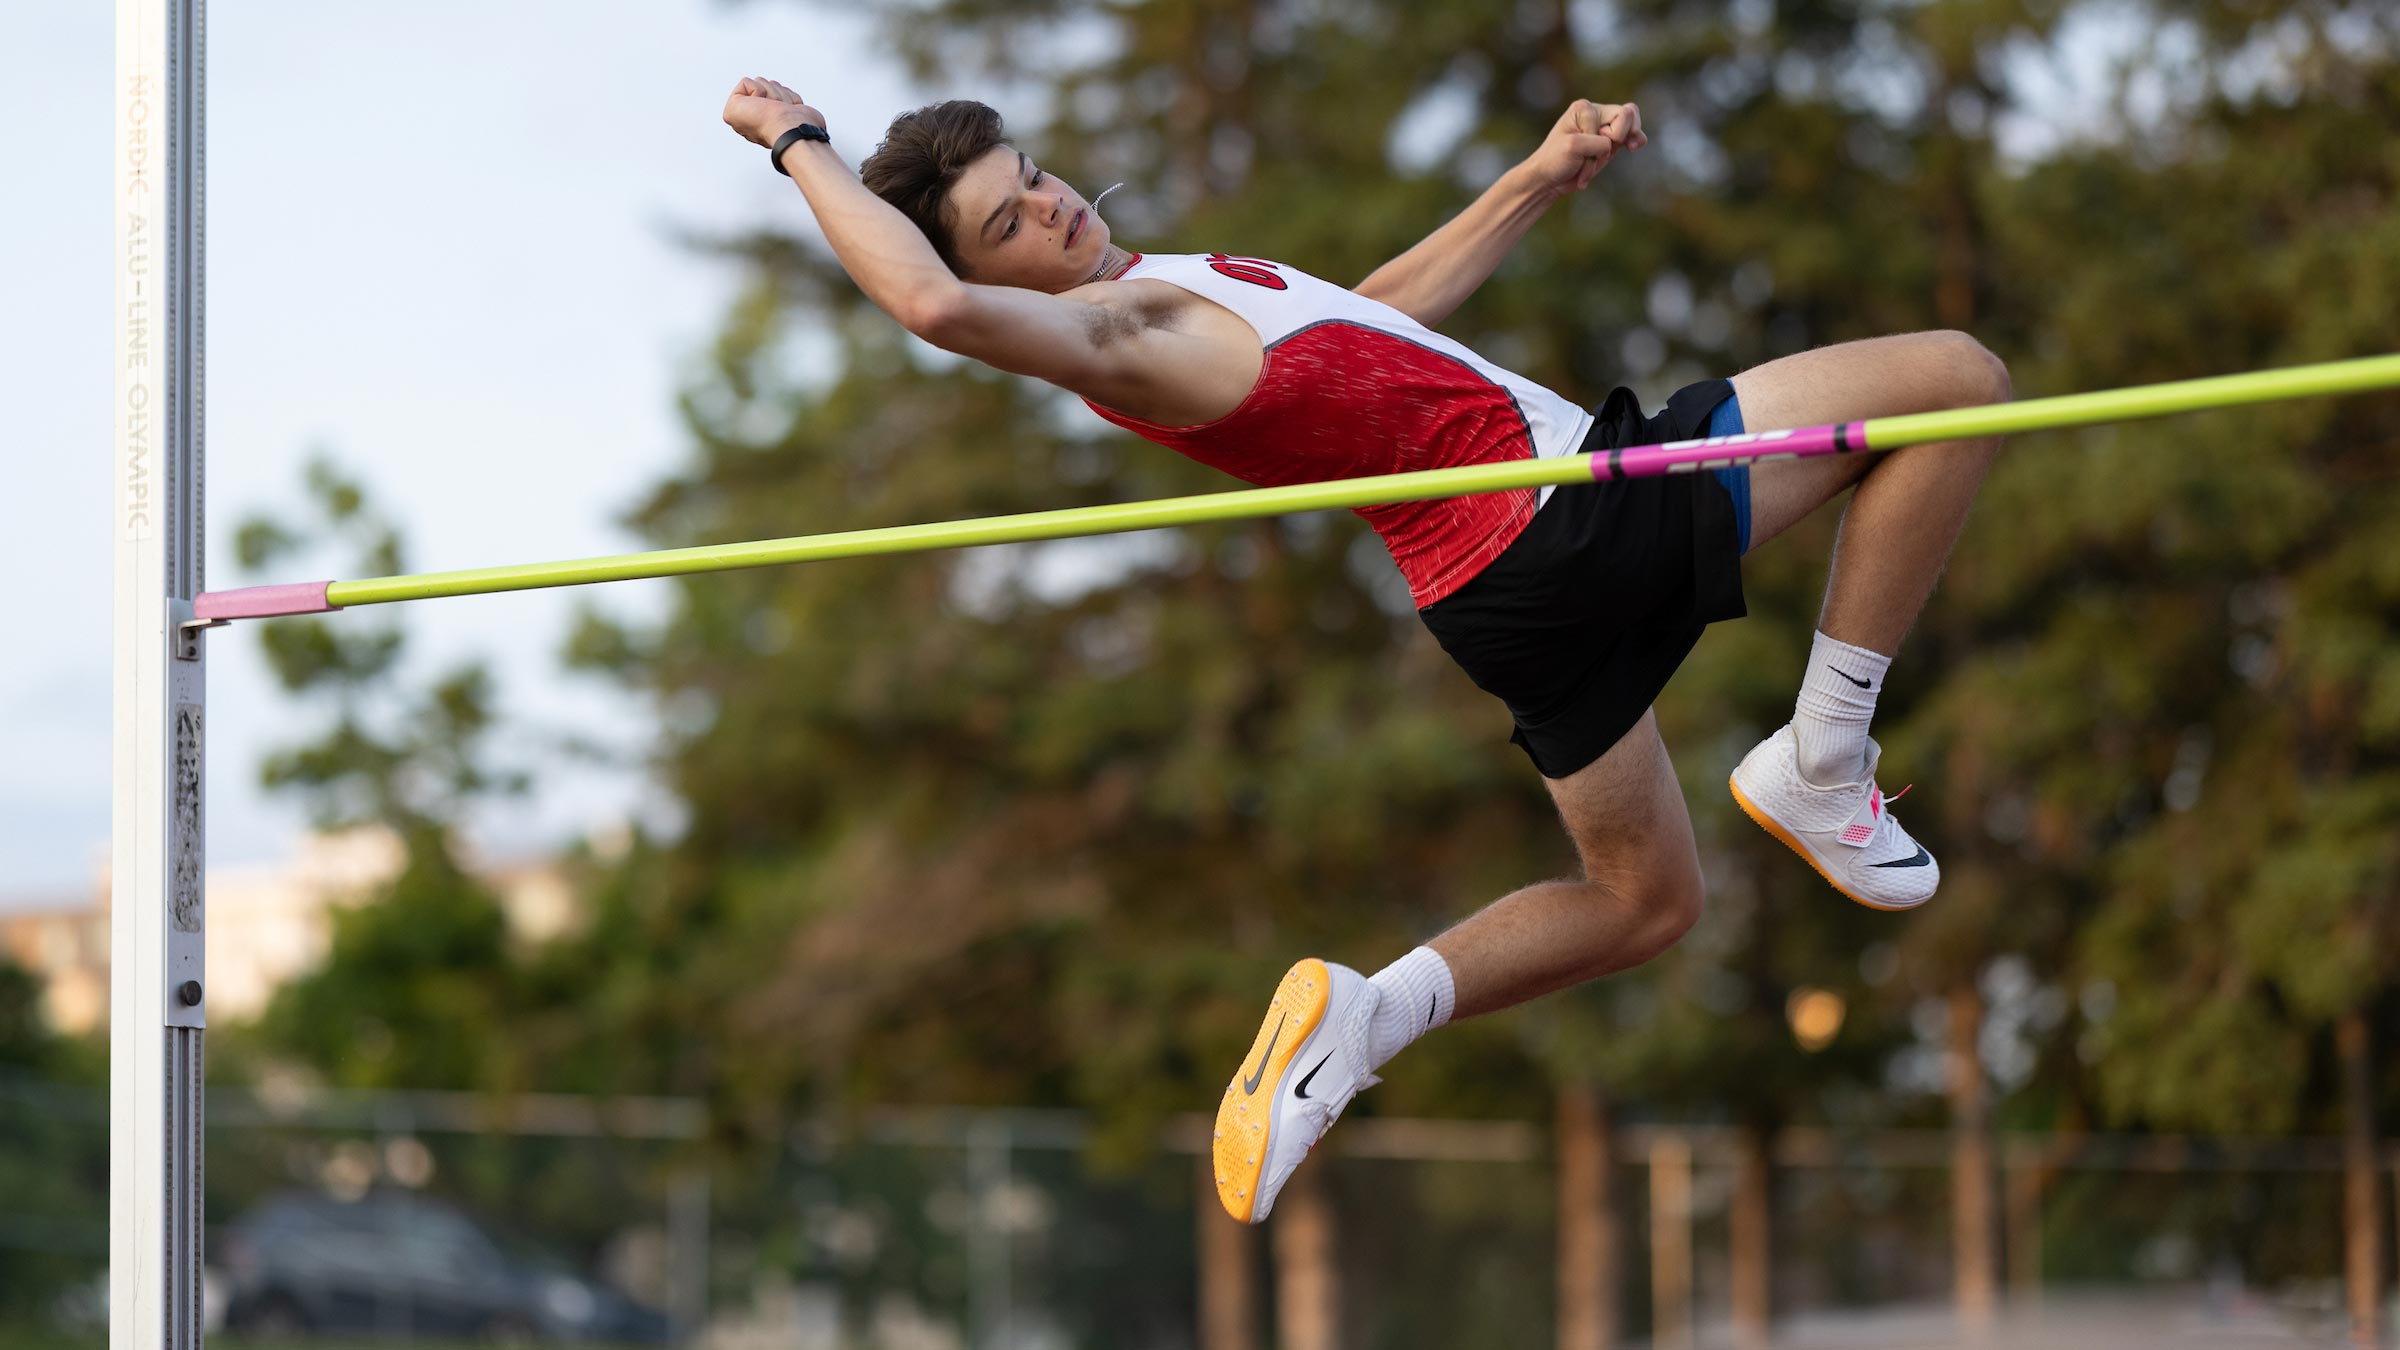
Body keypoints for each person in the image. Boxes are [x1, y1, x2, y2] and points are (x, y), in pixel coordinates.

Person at [721, 77, 2010, 1223]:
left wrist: (1533, 181)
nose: (1050, 211)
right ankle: (1828, 752)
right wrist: (798, 143)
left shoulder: (1169, 291)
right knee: (1953, 379)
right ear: (1001, 280)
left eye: (1036, 182)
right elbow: (927, 302)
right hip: (1562, 507)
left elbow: (1378, 314)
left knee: (1643, 901)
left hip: (1499, 593)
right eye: (1010, 226)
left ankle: (1365, 1017)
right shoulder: (1113, 337)